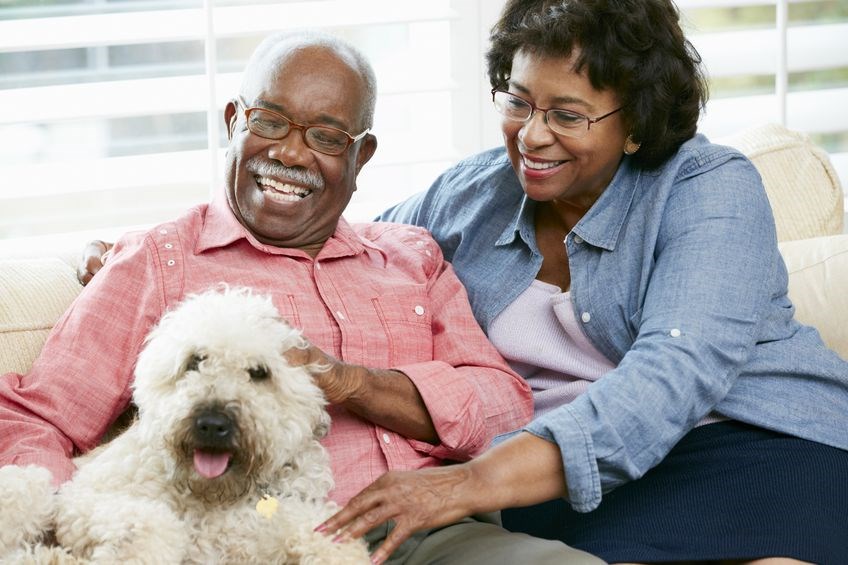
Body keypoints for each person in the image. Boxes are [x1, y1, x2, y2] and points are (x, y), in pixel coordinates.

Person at [0, 31, 604, 565]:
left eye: (324, 135)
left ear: (360, 155)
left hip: (432, 536)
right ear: (233, 120)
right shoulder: (156, 261)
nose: (289, 153)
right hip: (252, 540)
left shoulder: (410, 256)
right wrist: (75, 525)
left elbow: (503, 404)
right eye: (268, 121)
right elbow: (35, 420)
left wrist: (352, 384)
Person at [316, 1, 848, 564]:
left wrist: (464, 485)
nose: (532, 136)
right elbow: (348, 254)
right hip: (563, 489)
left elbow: (674, 374)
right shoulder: (472, 194)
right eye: (518, 102)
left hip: (744, 445)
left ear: (637, 122)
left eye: (568, 116)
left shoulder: (709, 187)